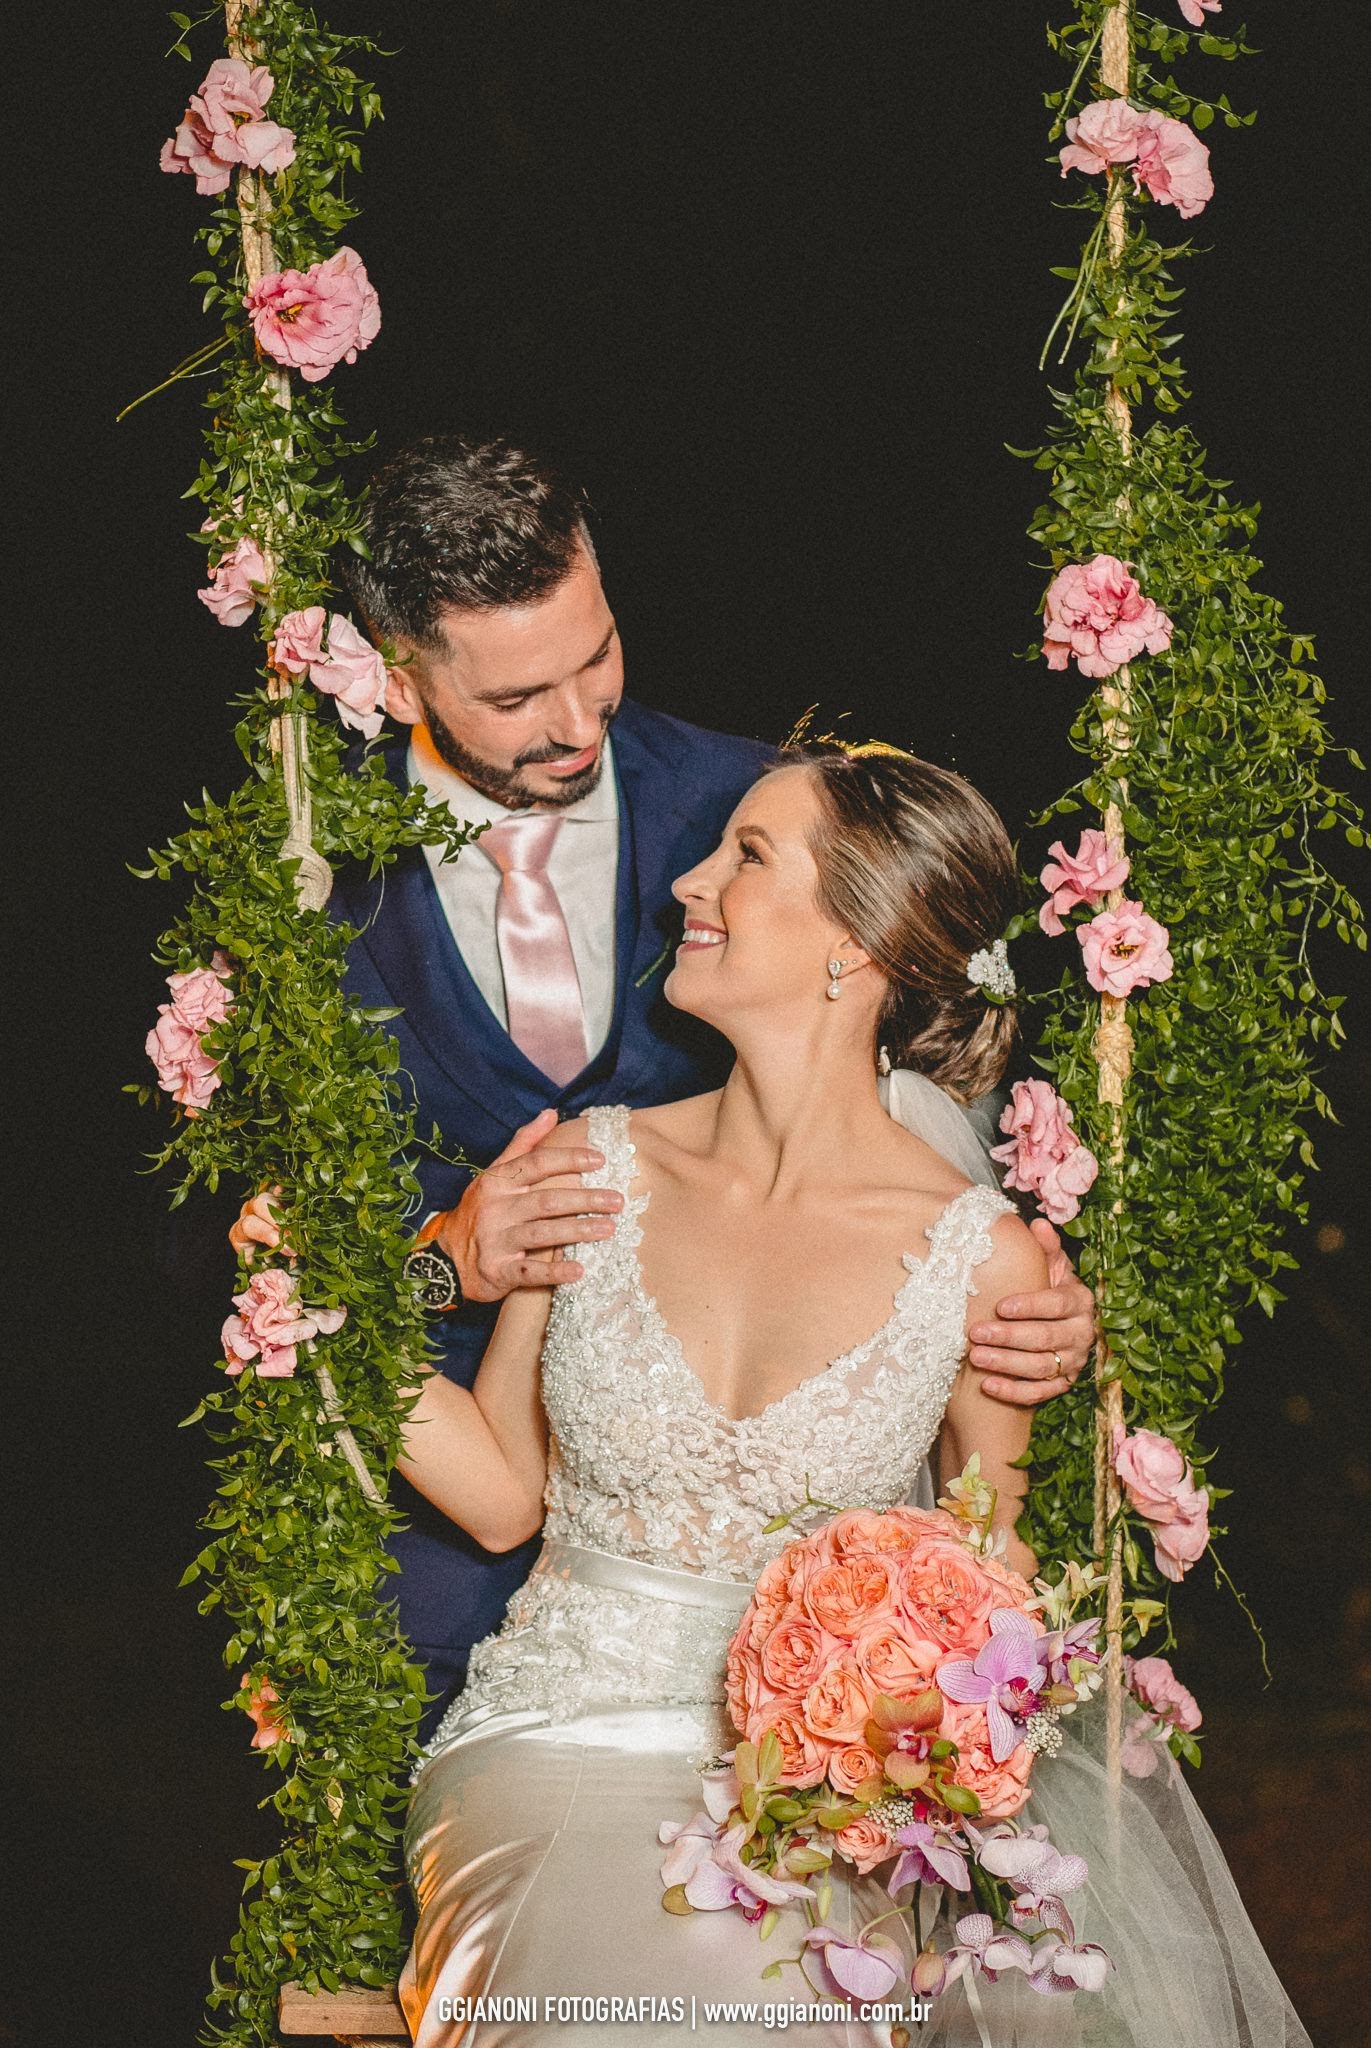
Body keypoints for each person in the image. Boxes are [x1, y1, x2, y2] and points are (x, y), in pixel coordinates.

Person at [391, 745, 1312, 2048]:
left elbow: (991, 1579)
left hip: (823, 1804)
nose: (687, 888)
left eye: (748, 856)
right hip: (554, 1748)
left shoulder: (984, 1262)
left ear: (856, 944)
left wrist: (914, 1774)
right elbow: (495, 1495)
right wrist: (354, 1299)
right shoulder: (584, 1166)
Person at [327, 433, 1095, 1736]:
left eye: (599, 655)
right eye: (519, 699)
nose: (580, 725)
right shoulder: (299, 879)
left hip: (814, 1705)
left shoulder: (759, 801)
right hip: (447, 1584)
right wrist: (427, 1270)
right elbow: (238, 1256)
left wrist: (1026, 1292)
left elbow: (990, 1550)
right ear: (405, 681)